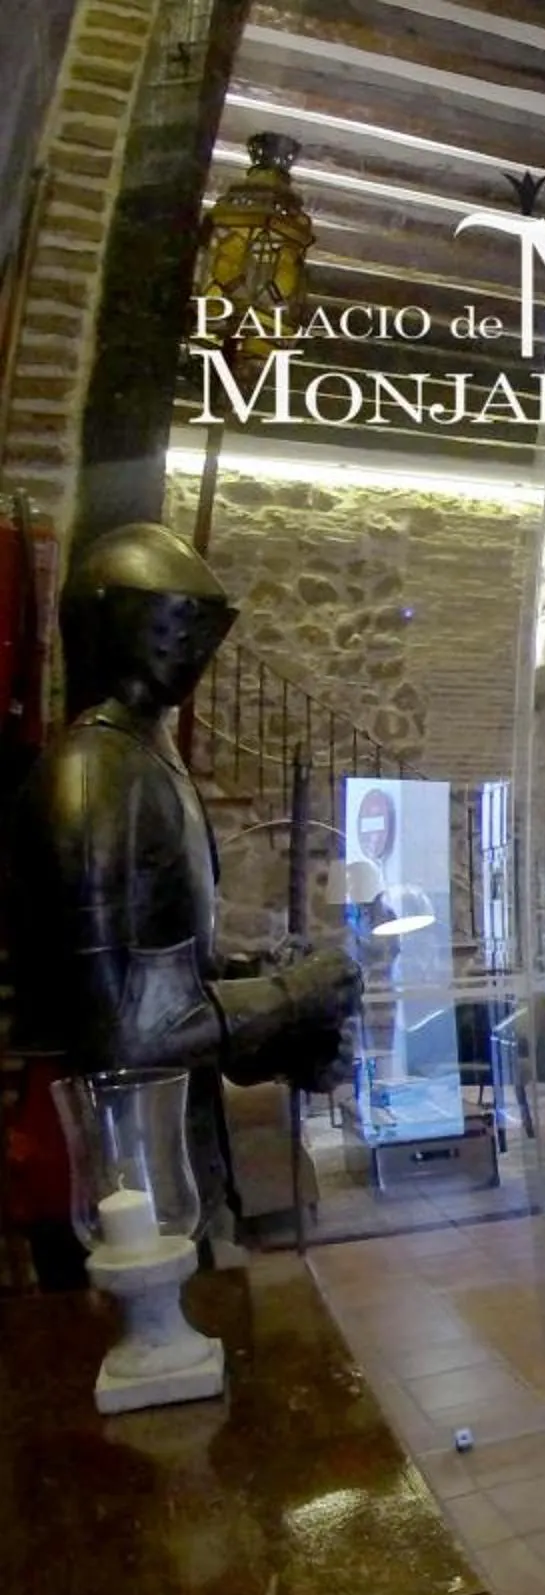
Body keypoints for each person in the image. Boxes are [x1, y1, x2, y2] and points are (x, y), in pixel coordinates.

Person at [8, 525, 359, 1281]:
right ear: (105, 617)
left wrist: (272, 1014)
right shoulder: (91, 775)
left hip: (169, 1151)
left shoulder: (143, 761)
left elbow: (168, 979)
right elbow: (124, 1032)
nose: (189, 639)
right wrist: (293, 995)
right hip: (107, 1159)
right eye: (166, 614)